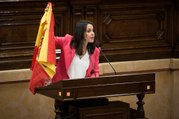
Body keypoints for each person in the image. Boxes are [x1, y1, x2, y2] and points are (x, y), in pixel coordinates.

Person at [52, 20, 102, 119]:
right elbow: (49, 41)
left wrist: (90, 80)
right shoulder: (67, 41)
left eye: (93, 31)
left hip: (81, 91)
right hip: (64, 89)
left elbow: (95, 72)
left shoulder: (95, 51)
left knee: (101, 102)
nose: (92, 33)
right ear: (81, 33)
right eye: (88, 31)